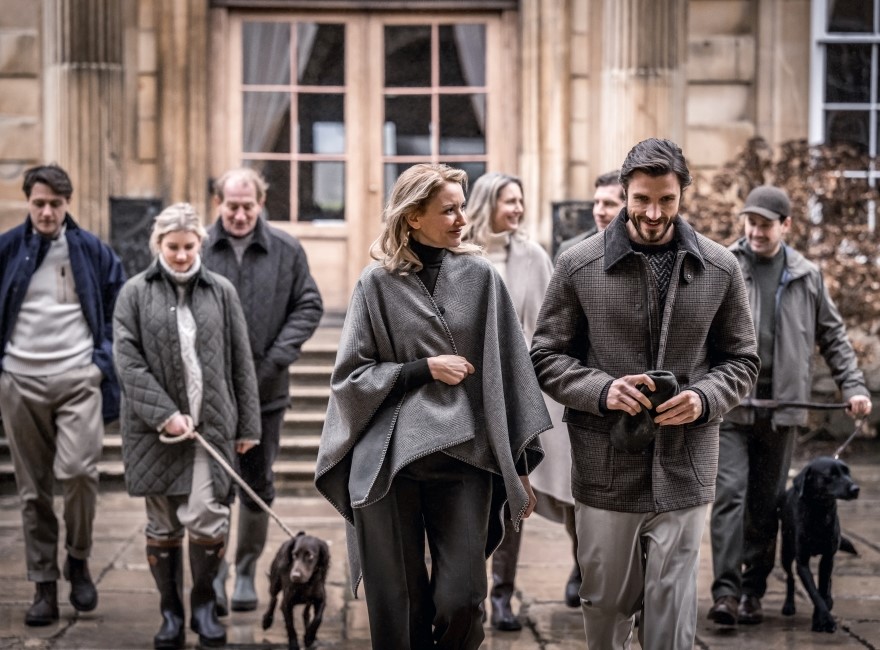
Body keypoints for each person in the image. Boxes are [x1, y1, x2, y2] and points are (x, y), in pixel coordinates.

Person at [530, 138, 760, 650]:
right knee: (606, 609)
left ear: (682, 196)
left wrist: (704, 399)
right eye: (641, 200)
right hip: (605, 466)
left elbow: (742, 361)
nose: (654, 213)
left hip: (687, 466)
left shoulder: (721, 268)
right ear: (625, 194)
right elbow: (544, 357)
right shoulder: (577, 264)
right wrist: (602, 389)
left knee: (672, 617)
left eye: (666, 201)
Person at [315, 163, 550, 649]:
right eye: (449, 209)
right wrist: (422, 369)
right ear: (413, 217)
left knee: (462, 599)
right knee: (397, 609)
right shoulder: (376, 284)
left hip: (466, 458)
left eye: (462, 207)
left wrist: (520, 466)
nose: (462, 219)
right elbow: (349, 379)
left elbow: (510, 374)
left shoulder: (482, 278)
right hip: (389, 462)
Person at [707, 185, 872, 626]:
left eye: (765, 224)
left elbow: (833, 337)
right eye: (751, 223)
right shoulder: (724, 265)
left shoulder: (806, 275)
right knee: (729, 496)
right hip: (732, 404)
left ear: (786, 225)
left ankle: (752, 591)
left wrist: (853, 387)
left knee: (765, 504)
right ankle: (725, 591)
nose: (755, 232)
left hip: (783, 410)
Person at [113, 203, 261, 649]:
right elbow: (128, 361)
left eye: (188, 246)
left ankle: (202, 606)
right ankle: (170, 615)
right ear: (157, 244)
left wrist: (248, 423)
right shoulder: (134, 293)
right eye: (172, 247)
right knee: (162, 524)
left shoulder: (221, 291)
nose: (180, 255)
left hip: (210, 430)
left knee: (208, 514)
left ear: (200, 244)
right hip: (153, 430)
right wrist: (164, 413)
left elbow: (241, 361)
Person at [0, 164, 126, 626]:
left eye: (55, 203)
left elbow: (119, 304)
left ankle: (78, 557)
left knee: (78, 473)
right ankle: (43, 585)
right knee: (32, 492)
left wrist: (102, 361)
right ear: (27, 202)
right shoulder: (8, 248)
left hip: (78, 378)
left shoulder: (91, 250)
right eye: (39, 203)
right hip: (19, 380)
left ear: (67, 203)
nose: (47, 212)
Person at [203, 167, 323, 614]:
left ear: (261, 202)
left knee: (256, 480)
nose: (238, 215)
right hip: (208, 395)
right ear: (219, 203)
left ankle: (246, 572)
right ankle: (212, 576)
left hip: (267, 390)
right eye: (231, 206)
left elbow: (308, 303)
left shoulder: (286, 249)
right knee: (213, 485)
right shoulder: (197, 247)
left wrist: (275, 359)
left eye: (247, 207)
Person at [461, 171, 572, 630]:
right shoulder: (461, 254)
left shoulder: (533, 256)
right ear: (488, 203)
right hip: (465, 392)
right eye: (509, 201)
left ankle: (502, 595)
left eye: (521, 201)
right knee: (467, 498)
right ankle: (466, 593)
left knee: (514, 494)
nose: (518, 210)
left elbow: (549, 325)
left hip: (518, 391)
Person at [554, 170, 625, 261]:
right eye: (596, 202)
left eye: (609, 204)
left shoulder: (644, 250)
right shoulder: (569, 251)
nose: (599, 212)